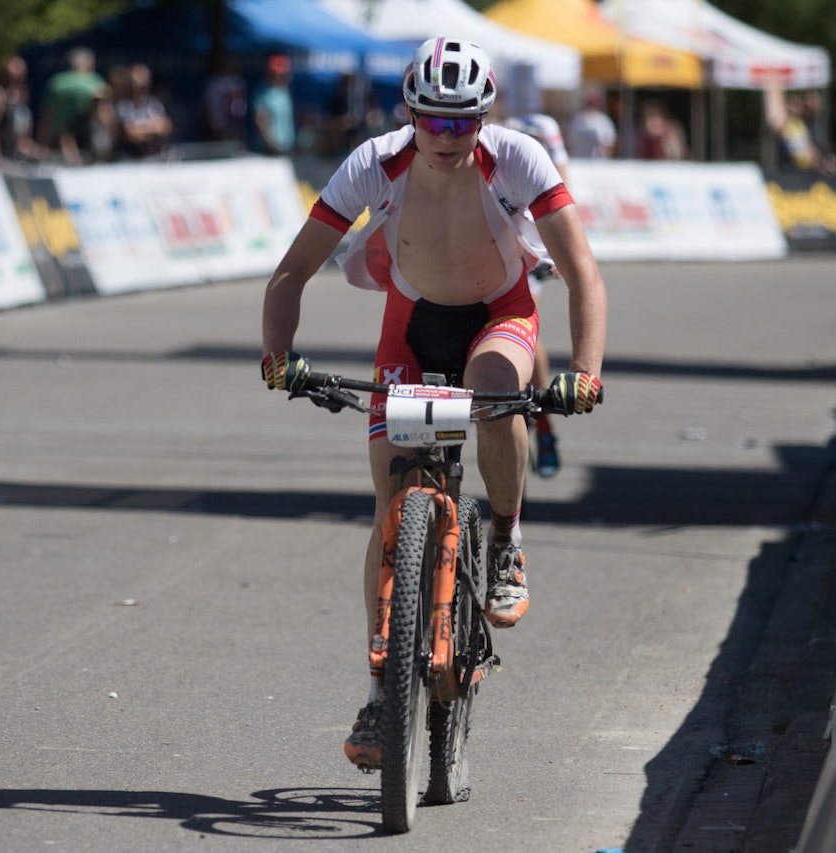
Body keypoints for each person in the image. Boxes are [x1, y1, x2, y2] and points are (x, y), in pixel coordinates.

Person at [260, 36, 606, 771]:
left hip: (498, 315)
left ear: (485, 118)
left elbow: (583, 274)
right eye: (433, 121)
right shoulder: (373, 163)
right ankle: (381, 692)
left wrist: (584, 371)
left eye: (464, 122)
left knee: (493, 390)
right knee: (388, 508)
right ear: (410, 114)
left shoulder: (519, 159)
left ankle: (506, 542)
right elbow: (291, 271)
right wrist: (278, 356)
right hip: (411, 325)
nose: (448, 136)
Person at [502, 111, 571, 478]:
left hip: (532, 237)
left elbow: (562, 188)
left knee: (525, 332)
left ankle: (544, 426)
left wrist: (555, 250)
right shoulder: (481, 119)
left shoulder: (545, 125)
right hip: (497, 237)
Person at [38, 46, 107, 166]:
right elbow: (104, 109)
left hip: (62, 137)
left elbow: (46, 117)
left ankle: (72, 159)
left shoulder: (55, 82)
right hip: (88, 137)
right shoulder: (93, 80)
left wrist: (43, 144)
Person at [0, 55, 45, 163]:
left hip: (14, 158)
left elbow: (21, 138)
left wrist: (33, 149)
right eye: (15, 67)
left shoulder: (22, 98)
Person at [115, 62, 173, 159]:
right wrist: (153, 127)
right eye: (138, 86)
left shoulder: (154, 104)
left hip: (154, 156)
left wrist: (141, 128)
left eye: (145, 85)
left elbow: (165, 128)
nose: (141, 90)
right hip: (130, 157)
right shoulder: (123, 106)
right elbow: (132, 135)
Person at [252, 54, 295, 156]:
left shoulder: (284, 90)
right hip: (270, 149)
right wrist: (271, 145)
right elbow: (261, 121)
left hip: (286, 145)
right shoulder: (262, 92)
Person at [568, 88, 616, 159]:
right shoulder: (578, 119)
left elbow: (609, 144)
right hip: (580, 160)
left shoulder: (604, 121)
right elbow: (571, 143)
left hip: (598, 161)